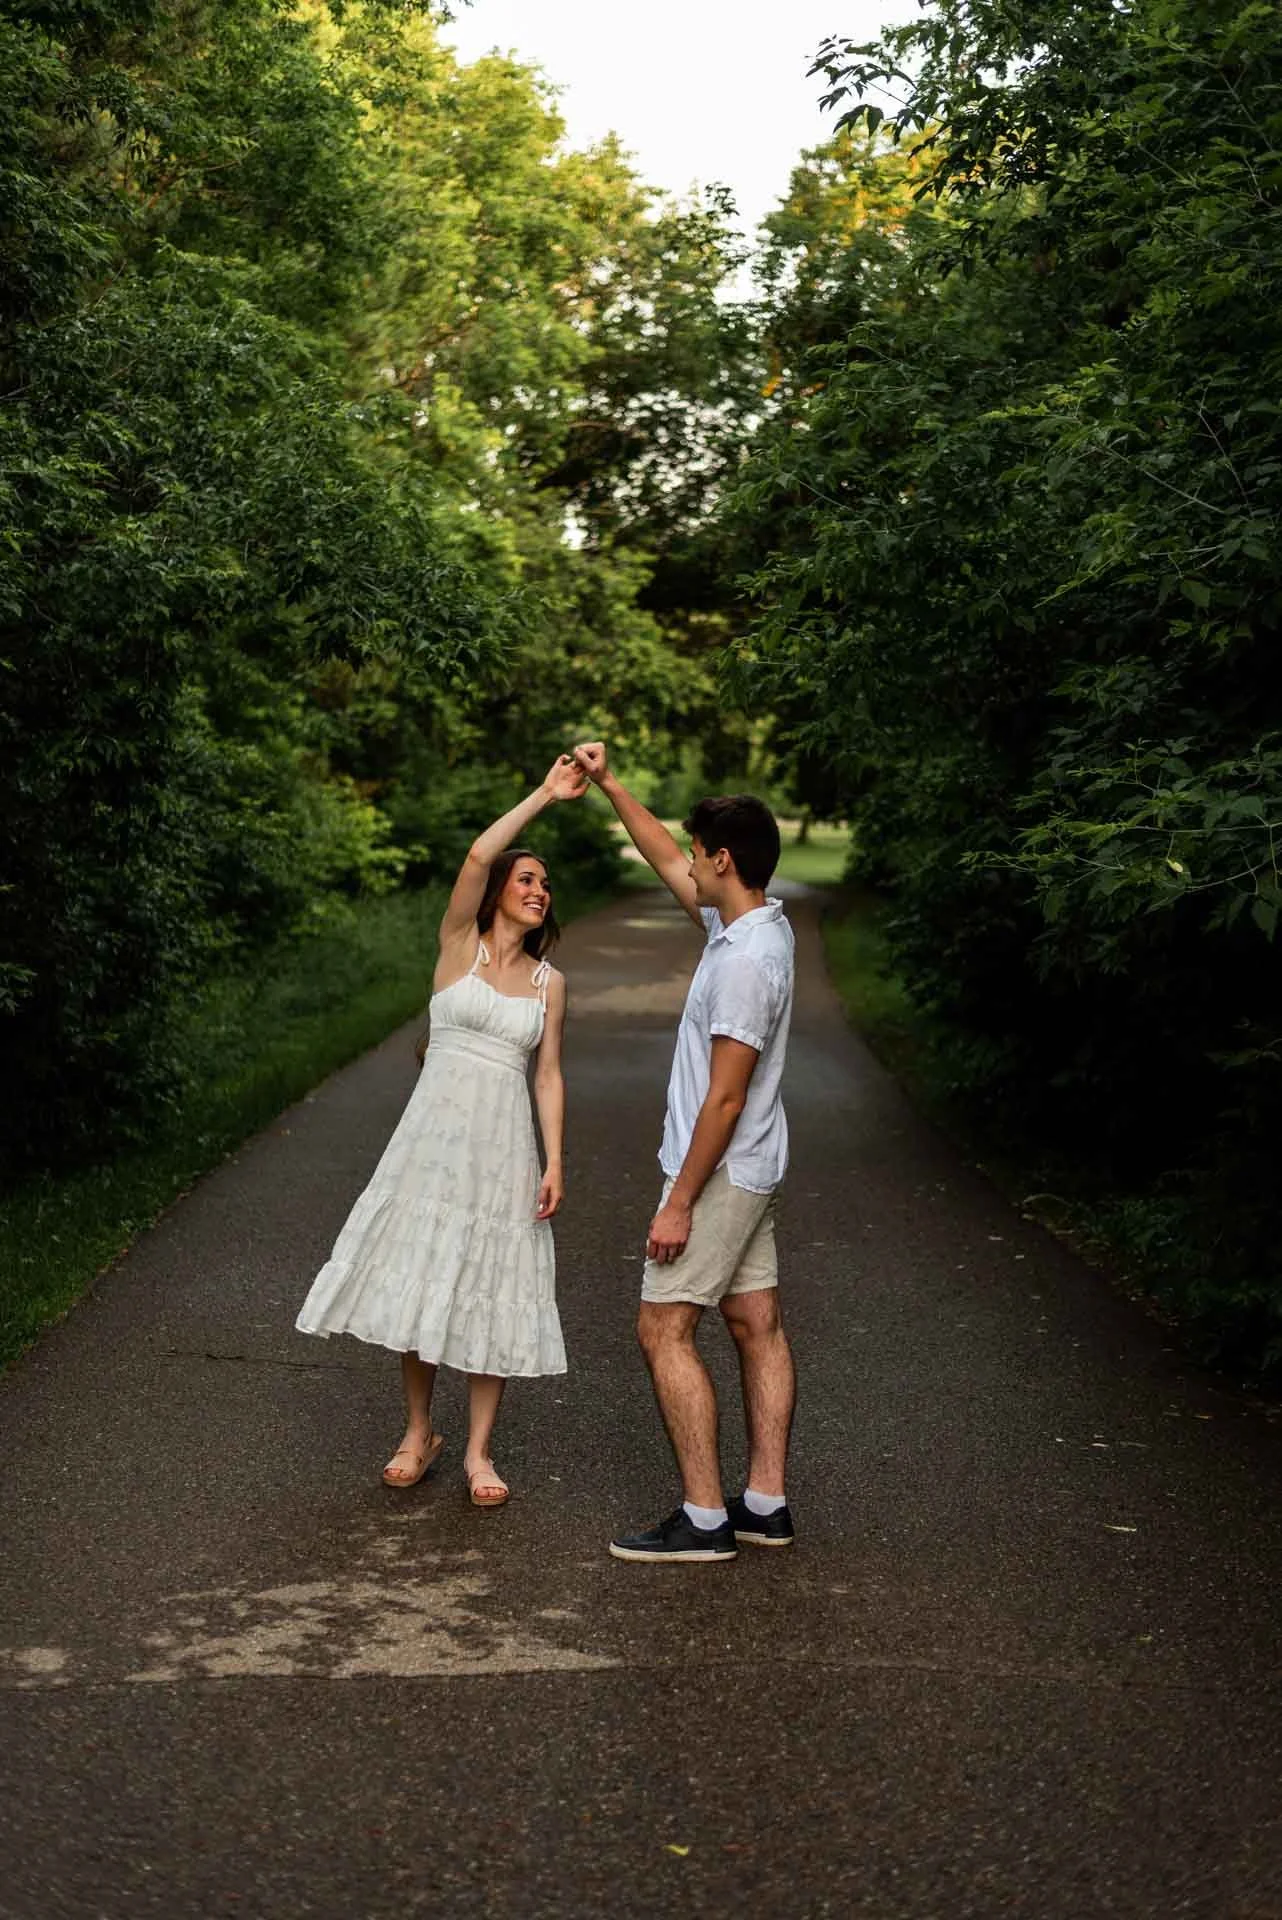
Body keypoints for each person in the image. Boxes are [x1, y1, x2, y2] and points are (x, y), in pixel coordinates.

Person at [295, 755, 586, 1507]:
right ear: (498, 895)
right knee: (427, 1282)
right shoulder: (458, 945)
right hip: (432, 1141)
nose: (536, 890)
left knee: (489, 1285)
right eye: (527, 880)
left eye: (544, 885)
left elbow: (548, 1075)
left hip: (502, 1149)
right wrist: (545, 796)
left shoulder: (551, 985)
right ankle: (418, 1432)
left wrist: (555, 1161)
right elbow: (478, 853)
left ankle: (480, 1453)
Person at [572, 741, 798, 1563]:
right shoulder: (748, 925)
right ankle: (764, 1505)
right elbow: (663, 852)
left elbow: (726, 1097)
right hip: (754, 1166)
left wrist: (678, 1201)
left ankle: (704, 1518)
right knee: (756, 1323)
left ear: (726, 860)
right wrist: (607, 784)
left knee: (662, 1330)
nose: (690, 864)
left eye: (703, 855)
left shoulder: (748, 965)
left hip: (721, 1174)